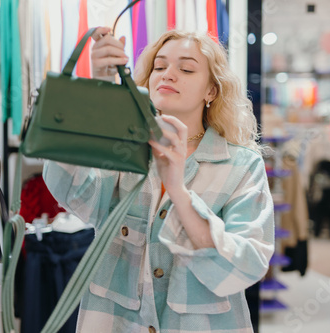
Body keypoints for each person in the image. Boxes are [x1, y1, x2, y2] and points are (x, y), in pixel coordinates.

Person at [43, 26, 274, 333]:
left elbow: (245, 266)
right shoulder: (120, 151)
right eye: (159, 66)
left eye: (187, 68)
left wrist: (177, 190)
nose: (168, 74)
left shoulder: (241, 165)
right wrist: (98, 88)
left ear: (211, 91)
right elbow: (69, 188)